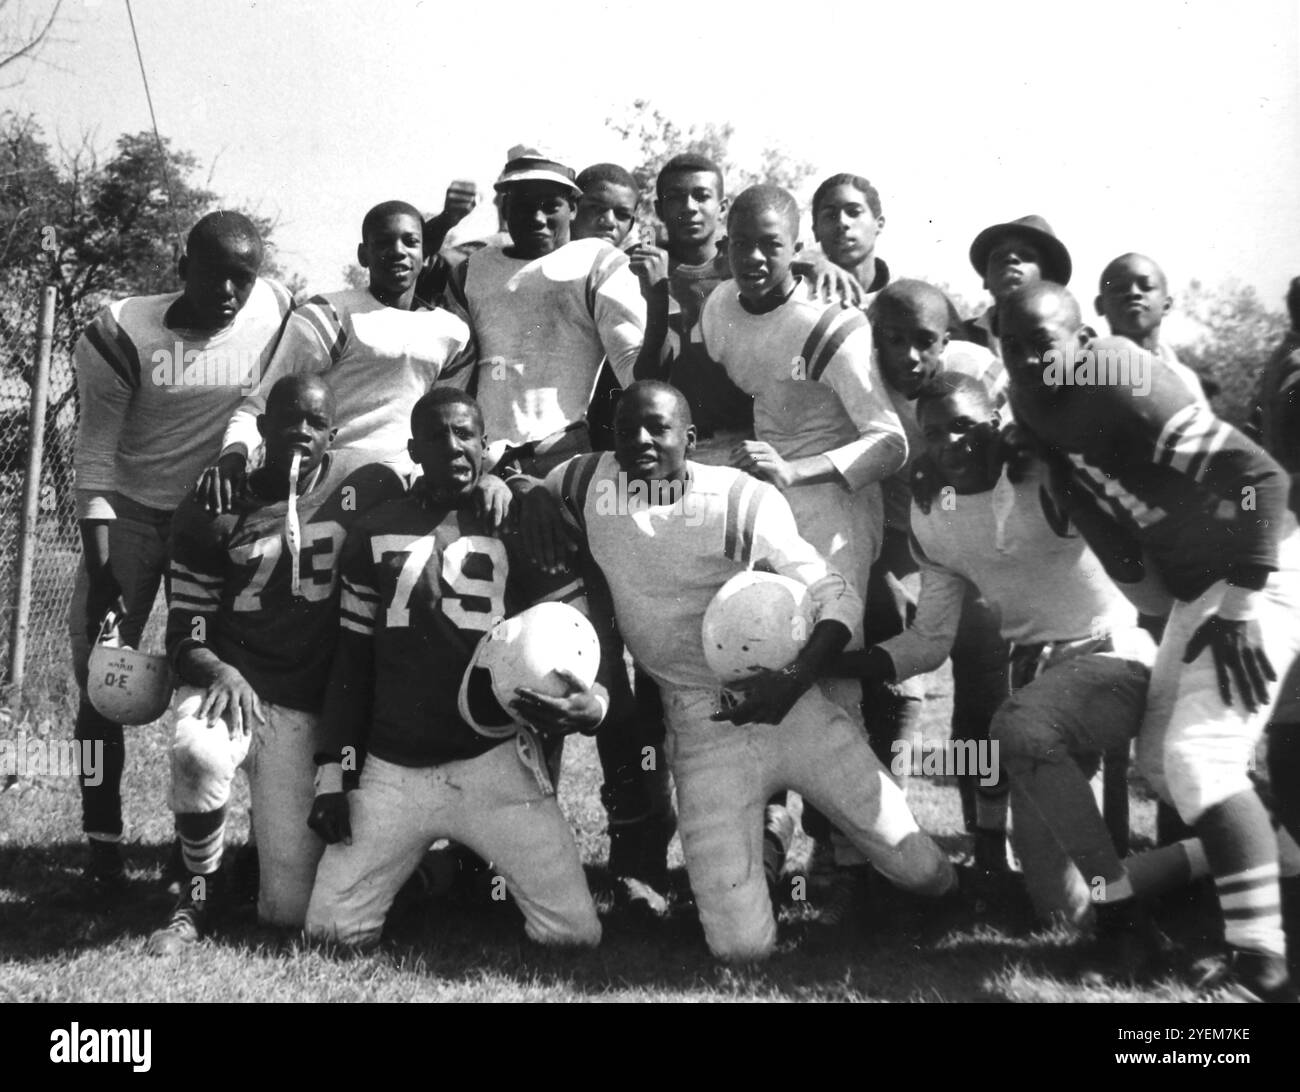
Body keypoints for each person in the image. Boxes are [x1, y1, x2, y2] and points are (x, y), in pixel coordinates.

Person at [535, 381, 955, 960]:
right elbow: (529, 485)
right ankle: (768, 858)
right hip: (701, 722)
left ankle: (954, 896)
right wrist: (518, 492)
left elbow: (835, 596)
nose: (639, 441)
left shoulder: (736, 497)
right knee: (740, 948)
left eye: (657, 428)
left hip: (793, 706)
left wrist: (794, 679)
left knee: (918, 868)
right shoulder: (587, 480)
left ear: (690, 438)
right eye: (626, 428)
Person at [834, 372, 1204, 971]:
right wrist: (843, 663)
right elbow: (929, 640)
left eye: (963, 425)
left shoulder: (1049, 476)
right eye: (933, 433)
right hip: (1039, 683)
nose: (950, 442)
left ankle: (1126, 918)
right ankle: (1226, 852)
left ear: (997, 420)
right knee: (1061, 909)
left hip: (1115, 653)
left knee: (1016, 726)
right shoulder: (935, 515)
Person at [999, 281, 1300, 1002]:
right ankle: (1280, 868)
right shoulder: (1037, 399)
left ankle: (1265, 969)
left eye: (1044, 345)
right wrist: (1057, 471)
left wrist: (1242, 605)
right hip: (1203, 588)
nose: (1029, 362)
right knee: (1165, 764)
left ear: (1080, 338)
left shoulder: (1121, 383)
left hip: (1257, 570)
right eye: (1012, 347)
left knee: (1201, 761)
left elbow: (1261, 476)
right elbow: (1124, 543)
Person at [303, 389, 605, 950]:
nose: (453, 446)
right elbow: (351, 667)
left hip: (491, 759)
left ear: (485, 443)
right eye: (437, 437)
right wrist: (332, 778)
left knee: (574, 935)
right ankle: (424, 872)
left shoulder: (517, 518)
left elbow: (577, 637)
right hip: (393, 768)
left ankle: (435, 874)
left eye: (465, 434)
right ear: (413, 449)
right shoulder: (372, 532)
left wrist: (596, 700)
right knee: (330, 931)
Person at [69, 210, 292, 891]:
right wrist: (104, 564)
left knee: (214, 672)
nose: (230, 290)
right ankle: (102, 849)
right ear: (179, 263)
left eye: (242, 277)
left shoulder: (276, 308)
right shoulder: (119, 331)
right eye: (214, 273)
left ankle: (194, 847)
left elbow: (262, 405)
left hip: (218, 520)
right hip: (131, 513)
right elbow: (95, 459)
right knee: (100, 688)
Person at [146, 375, 405, 953]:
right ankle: (196, 893)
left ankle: (246, 864)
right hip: (232, 685)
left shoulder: (366, 483)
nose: (302, 433)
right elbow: (184, 628)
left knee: (286, 912)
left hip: (304, 705)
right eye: (289, 420)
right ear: (262, 427)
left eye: (316, 424)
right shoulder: (215, 501)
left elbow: (435, 494)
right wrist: (220, 671)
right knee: (197, 753)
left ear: (333, 434)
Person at [206, 201, 476, 502]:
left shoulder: (452, 332)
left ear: (426, 254)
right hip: (326, 491)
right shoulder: (331, 313)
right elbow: (260, 403)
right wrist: (235, 455)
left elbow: (445, 425)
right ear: (363, 255)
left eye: (410, 242)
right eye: (384, 242)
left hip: (402, 491)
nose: (398, 251)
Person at [1094, 252, 1209, 404]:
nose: (1134, 293)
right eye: (1120, 288)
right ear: (1100, 306)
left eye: (1146, 287)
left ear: (1166, 305)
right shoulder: (1088, 372)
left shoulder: (1185, 380)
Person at [961, 214, 1071, 359]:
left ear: (1048, 280)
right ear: (985, 279)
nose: (1011, 258)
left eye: (1026, 255)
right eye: (998, 256)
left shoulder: (1069, 348)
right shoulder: (960, 336)